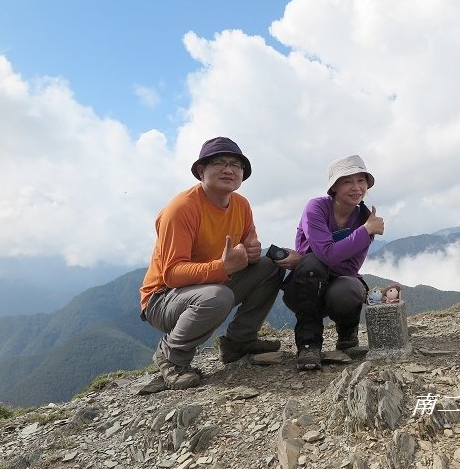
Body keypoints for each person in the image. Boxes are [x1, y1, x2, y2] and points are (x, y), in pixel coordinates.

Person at [139, 137, 284, 389]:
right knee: (218, 296)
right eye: (219, 162)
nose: (229, 169)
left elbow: (246, 249)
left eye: (236, 165)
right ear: (200, 170)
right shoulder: (181, 209)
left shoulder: (241, 205)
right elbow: (172, 274)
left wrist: (250, 253)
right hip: (162, 298)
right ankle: (171, 357)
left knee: (269, 267)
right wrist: (223, 267)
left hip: (211, 283)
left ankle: (239, 342)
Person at [271, 155, 385, 371]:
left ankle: (347, 334)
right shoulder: (316, 208)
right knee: (312, 265)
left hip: (337, 286)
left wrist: (305, 259)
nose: (356, 188)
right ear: (334, 187)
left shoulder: (365, 218)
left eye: (361, 180)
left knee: (349, 287)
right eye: (347, 181)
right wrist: (363, 233)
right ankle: (309, 344)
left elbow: (351, 268)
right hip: (305, 287)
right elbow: (327, 255)